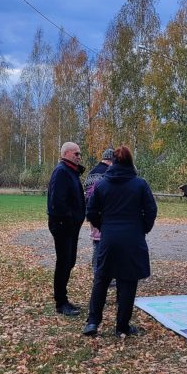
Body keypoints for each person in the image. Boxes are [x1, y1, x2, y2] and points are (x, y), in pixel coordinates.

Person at [83, 146, 157, 337]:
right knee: (128, 282)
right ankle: (122, 325)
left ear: (113, 163)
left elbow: (91, 211)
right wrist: (143, 228)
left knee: (101, 279)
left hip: (109, 238)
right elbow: (151, 210)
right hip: (133, 238)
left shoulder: (102, 185)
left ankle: (92, 322)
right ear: (130, 162)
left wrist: (104, 226)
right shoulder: (140, 184)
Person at [47, 142, 86, 316]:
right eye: (76, 153)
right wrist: (71, 218)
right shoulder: (62, 171)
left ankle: (63, 298)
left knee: (69, 261)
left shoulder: (71, 172)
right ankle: (60, 302)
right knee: (64, 262)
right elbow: (57, 202)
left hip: (70, 225)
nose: (79, 156)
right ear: (66, 153)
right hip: (63, 225)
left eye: (80, 154)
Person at [83, 148, 114, 278]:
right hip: (104, 215)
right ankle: (99, 273)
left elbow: (85, 193)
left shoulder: (91, 173)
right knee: (103, 245)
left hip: (91, 212)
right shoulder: (108, 173)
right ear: (111, 160)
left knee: (96, 242)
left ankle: (97, 272)